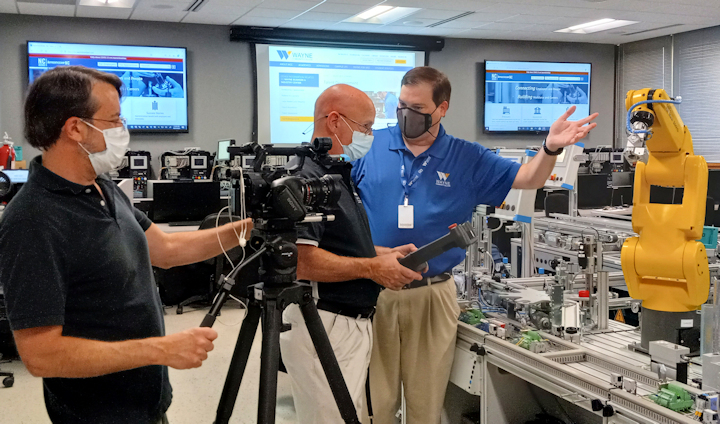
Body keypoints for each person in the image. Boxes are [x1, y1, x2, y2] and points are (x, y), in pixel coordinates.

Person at [0, 66, 252, 424]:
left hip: (145, 403)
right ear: (75, 128)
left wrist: (248, 230)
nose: (122, 130)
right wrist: (160, 349)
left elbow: (166, 250)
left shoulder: (102, 187)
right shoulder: (33, 219)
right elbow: (41, 355)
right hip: (96, 413)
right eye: (114, 119)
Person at [351, 66, 598, 424]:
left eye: (418, 108)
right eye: (401, 105)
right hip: (374, 289)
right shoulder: (370, 147)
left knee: (425, 404)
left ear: (442, 108)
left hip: (432, 294)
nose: (407, 115)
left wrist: (550, 148)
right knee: (375, 401)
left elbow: (528, 178)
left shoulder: (466, 157)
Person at [279, 84, 423, 423]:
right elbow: (300, 259)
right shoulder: (304, 178)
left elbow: (338, 244)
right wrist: (372, 268)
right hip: (323, 321)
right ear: (334, 121)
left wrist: (384, 255)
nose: (370, 135)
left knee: (348, 414)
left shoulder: (333, 174)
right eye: (366, 127)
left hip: (350, 321)